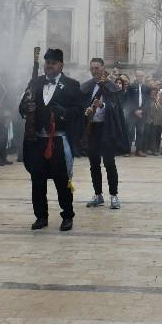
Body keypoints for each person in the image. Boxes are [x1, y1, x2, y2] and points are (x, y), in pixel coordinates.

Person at [18, 48, 81, 231]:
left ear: (61, 65)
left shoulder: (71, 85)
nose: (49, 67)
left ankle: (67, 215)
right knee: (37, 181)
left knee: (62, 181)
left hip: (59, 140)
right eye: (47, 63)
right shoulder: (35, 82)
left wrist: (63, 112)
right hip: (38, 140)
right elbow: (21, 107)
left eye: (53, 63)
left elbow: (78, 112)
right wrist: (26, 107)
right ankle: (41, 217)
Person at [81, 57, 127, 209]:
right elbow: (79, 107)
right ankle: (98, 194)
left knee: (109, 163)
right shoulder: (86, 87)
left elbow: (117, 109)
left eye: (97, 68)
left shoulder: (111, 86)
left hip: (107, 129)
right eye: (92, 68)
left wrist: (103, 105)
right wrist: (86, 111)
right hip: (92, 129)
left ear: (103, 68)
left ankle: (114, 196)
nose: (95, 71)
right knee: (94, 163)